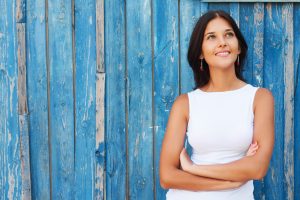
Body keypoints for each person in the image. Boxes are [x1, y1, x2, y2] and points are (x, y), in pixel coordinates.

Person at [159, 10, 274, 200]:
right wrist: (230, 182)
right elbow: (167, 176)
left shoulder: (259, 98)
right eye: (211, 37)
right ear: (201, 53)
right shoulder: (185, 103)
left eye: (229, 34)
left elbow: (258, 168)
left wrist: (193, 168)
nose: (222, 42)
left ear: (238, 48)